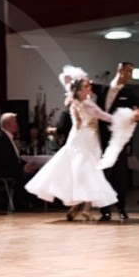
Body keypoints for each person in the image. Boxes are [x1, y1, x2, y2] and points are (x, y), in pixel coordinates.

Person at [25, 72, 138, 220]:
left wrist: (74, 77)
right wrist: (127, 118)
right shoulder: (87, 104)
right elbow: (105, 117)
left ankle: (81, 206)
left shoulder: (74, 101)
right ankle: (84, 207)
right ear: (79, 90)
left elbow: (65, 78)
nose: (89, 87)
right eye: (86, 86)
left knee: (80, 170)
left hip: (76, 137)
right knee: (88, 171)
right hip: (87, 138)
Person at [93, 62, 139, 221]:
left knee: (120, 175)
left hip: (118, 141)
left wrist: (136, 114)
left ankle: (121, 208)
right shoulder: (102, 89)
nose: (130, 75)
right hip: (100, 140)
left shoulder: (129, 93)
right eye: (128, 71)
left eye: (132, 72)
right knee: (103, 175)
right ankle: (105, 211)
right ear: (120, 70)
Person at [0, 112, 37, 208]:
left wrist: (26, 165)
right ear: (7, 124)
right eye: (15, 122)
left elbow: (14, 158)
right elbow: (5, 160)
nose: (17, 124)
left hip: (9, 167)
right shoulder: (0, 139)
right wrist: (22, 168)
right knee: (26, 175)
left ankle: (29, 201)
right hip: (1, 170)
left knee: (34, 172)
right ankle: (22, 201)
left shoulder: (7, 137)